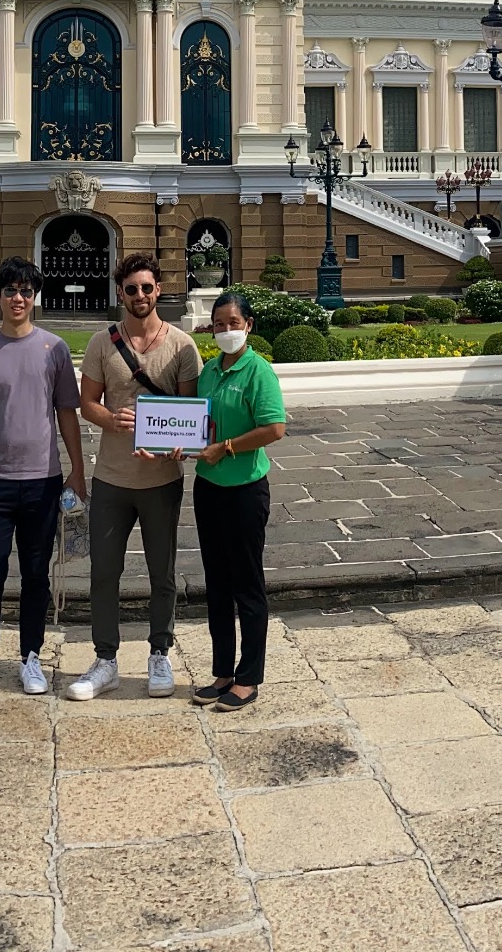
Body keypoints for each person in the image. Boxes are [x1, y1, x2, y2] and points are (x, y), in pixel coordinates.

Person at [66, 252, 200, 701]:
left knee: (162, 573)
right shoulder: (103, 343)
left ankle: (159, 652)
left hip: (162, 478)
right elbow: (88, 404)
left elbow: (188, 413)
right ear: (119, 293)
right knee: (104, 572)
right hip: (112, 478)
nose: (139, 295)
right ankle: (106, 659)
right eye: (131, 289)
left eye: (147, 287)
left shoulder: (181, 345)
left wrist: (181, 441)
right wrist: (113, 421)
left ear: (158, 289)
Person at [0, 256, 86, 696]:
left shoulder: (55, 349)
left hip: (43, 480)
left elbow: (67, 414)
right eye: (10, 290)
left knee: (35, 574)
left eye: (26, 291)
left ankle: (31, 656)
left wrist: (77, 472)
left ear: (35, 297)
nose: (18, 298)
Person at [190, 290, 287, 712]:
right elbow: (195, 422)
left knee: (246, 583)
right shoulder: (209, 370)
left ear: (248, 325)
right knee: (217, 584)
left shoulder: (258, 371)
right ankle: (222, 671)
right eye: (219, 324)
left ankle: (249, 677)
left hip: (245, 489)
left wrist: (226, 447)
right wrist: (179, 442)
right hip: (208, 486)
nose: (226, 330)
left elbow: (274, 429)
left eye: (233, 323)